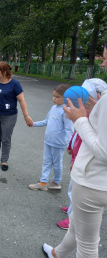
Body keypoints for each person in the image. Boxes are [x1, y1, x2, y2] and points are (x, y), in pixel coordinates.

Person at [42, 43, 107, 258]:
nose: (103, 63)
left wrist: (80, 120)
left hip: (93, 182)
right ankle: (57, 253)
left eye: (106, 59)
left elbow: (103, 151)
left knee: (87, 244)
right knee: (78, 227)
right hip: (97, 182)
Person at [28, 84, 74, 191]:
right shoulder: (53, 108)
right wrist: (33, 124)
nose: (54, 98)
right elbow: (46, 121)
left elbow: (69, 130)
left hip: (58, 143)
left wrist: (70, 145)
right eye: (53, 96)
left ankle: (56, 182)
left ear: (67, 99)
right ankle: (43, 183)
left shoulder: (66, 111)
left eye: (57, 97)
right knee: (47, 161)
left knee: (57, 163)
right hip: (48, 141)